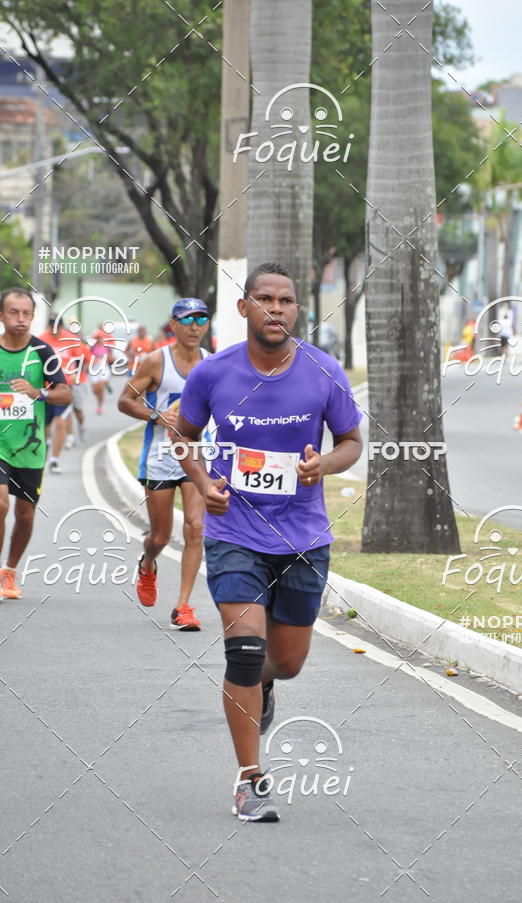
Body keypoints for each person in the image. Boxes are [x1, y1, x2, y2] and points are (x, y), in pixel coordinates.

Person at [176, 263, 363, 822]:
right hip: (234, 531)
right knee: (245, 651)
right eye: (264, 299)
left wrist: (323, 464)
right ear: (244, 309)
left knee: (285, 662)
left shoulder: (323, 371)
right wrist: (205, 484)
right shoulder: (212, 374)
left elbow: (352, 440)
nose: (275, 309)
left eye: (285, 301)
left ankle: (266, 690)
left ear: (297, 310)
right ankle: (250, 780)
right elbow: (184, 439)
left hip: (303, 536)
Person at [118, 298, 212, 630]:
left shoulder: (213, 365)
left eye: (201, 319)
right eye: (187, 319)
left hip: (199, 457)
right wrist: (157, 415)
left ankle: (183, 607)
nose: (195, 326)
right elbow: (125, 400)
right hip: (160, 459)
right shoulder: (156, 361)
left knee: (196, 528)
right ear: (173, 325)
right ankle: (148, 563)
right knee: (160, 536)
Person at [0, 288, 71, 597]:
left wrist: (37, 392)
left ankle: (9, 571)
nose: (21, 319)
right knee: (0, 504)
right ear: (1, 315)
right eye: (14, 312)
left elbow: (65, 393)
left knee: (25, 514)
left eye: (27, 313)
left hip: (30, 449)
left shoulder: (42, 352)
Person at [38, 312, 77, 473]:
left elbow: (80, 360)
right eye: (51, 326)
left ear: (62, 326)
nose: (55, 330)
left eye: (57, 326)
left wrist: (77, 374)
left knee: (60, 421)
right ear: (48, 326)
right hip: (45, 388)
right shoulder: (40, 340)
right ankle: (45, 448)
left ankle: (54, 460)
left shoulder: (71, 340)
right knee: (45, 425)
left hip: (63, 388)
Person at [89, 332, 114, 414]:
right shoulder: (91, 348)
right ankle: (104, 389)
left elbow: (112, 358)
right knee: (95, 390)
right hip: (94, 369)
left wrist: (107, 358)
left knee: (100, 387)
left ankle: (100, 406)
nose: (99, 339)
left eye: (100, 338)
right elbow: (87, 357)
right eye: (97, 338)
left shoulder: (107, 347)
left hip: (104, 368)